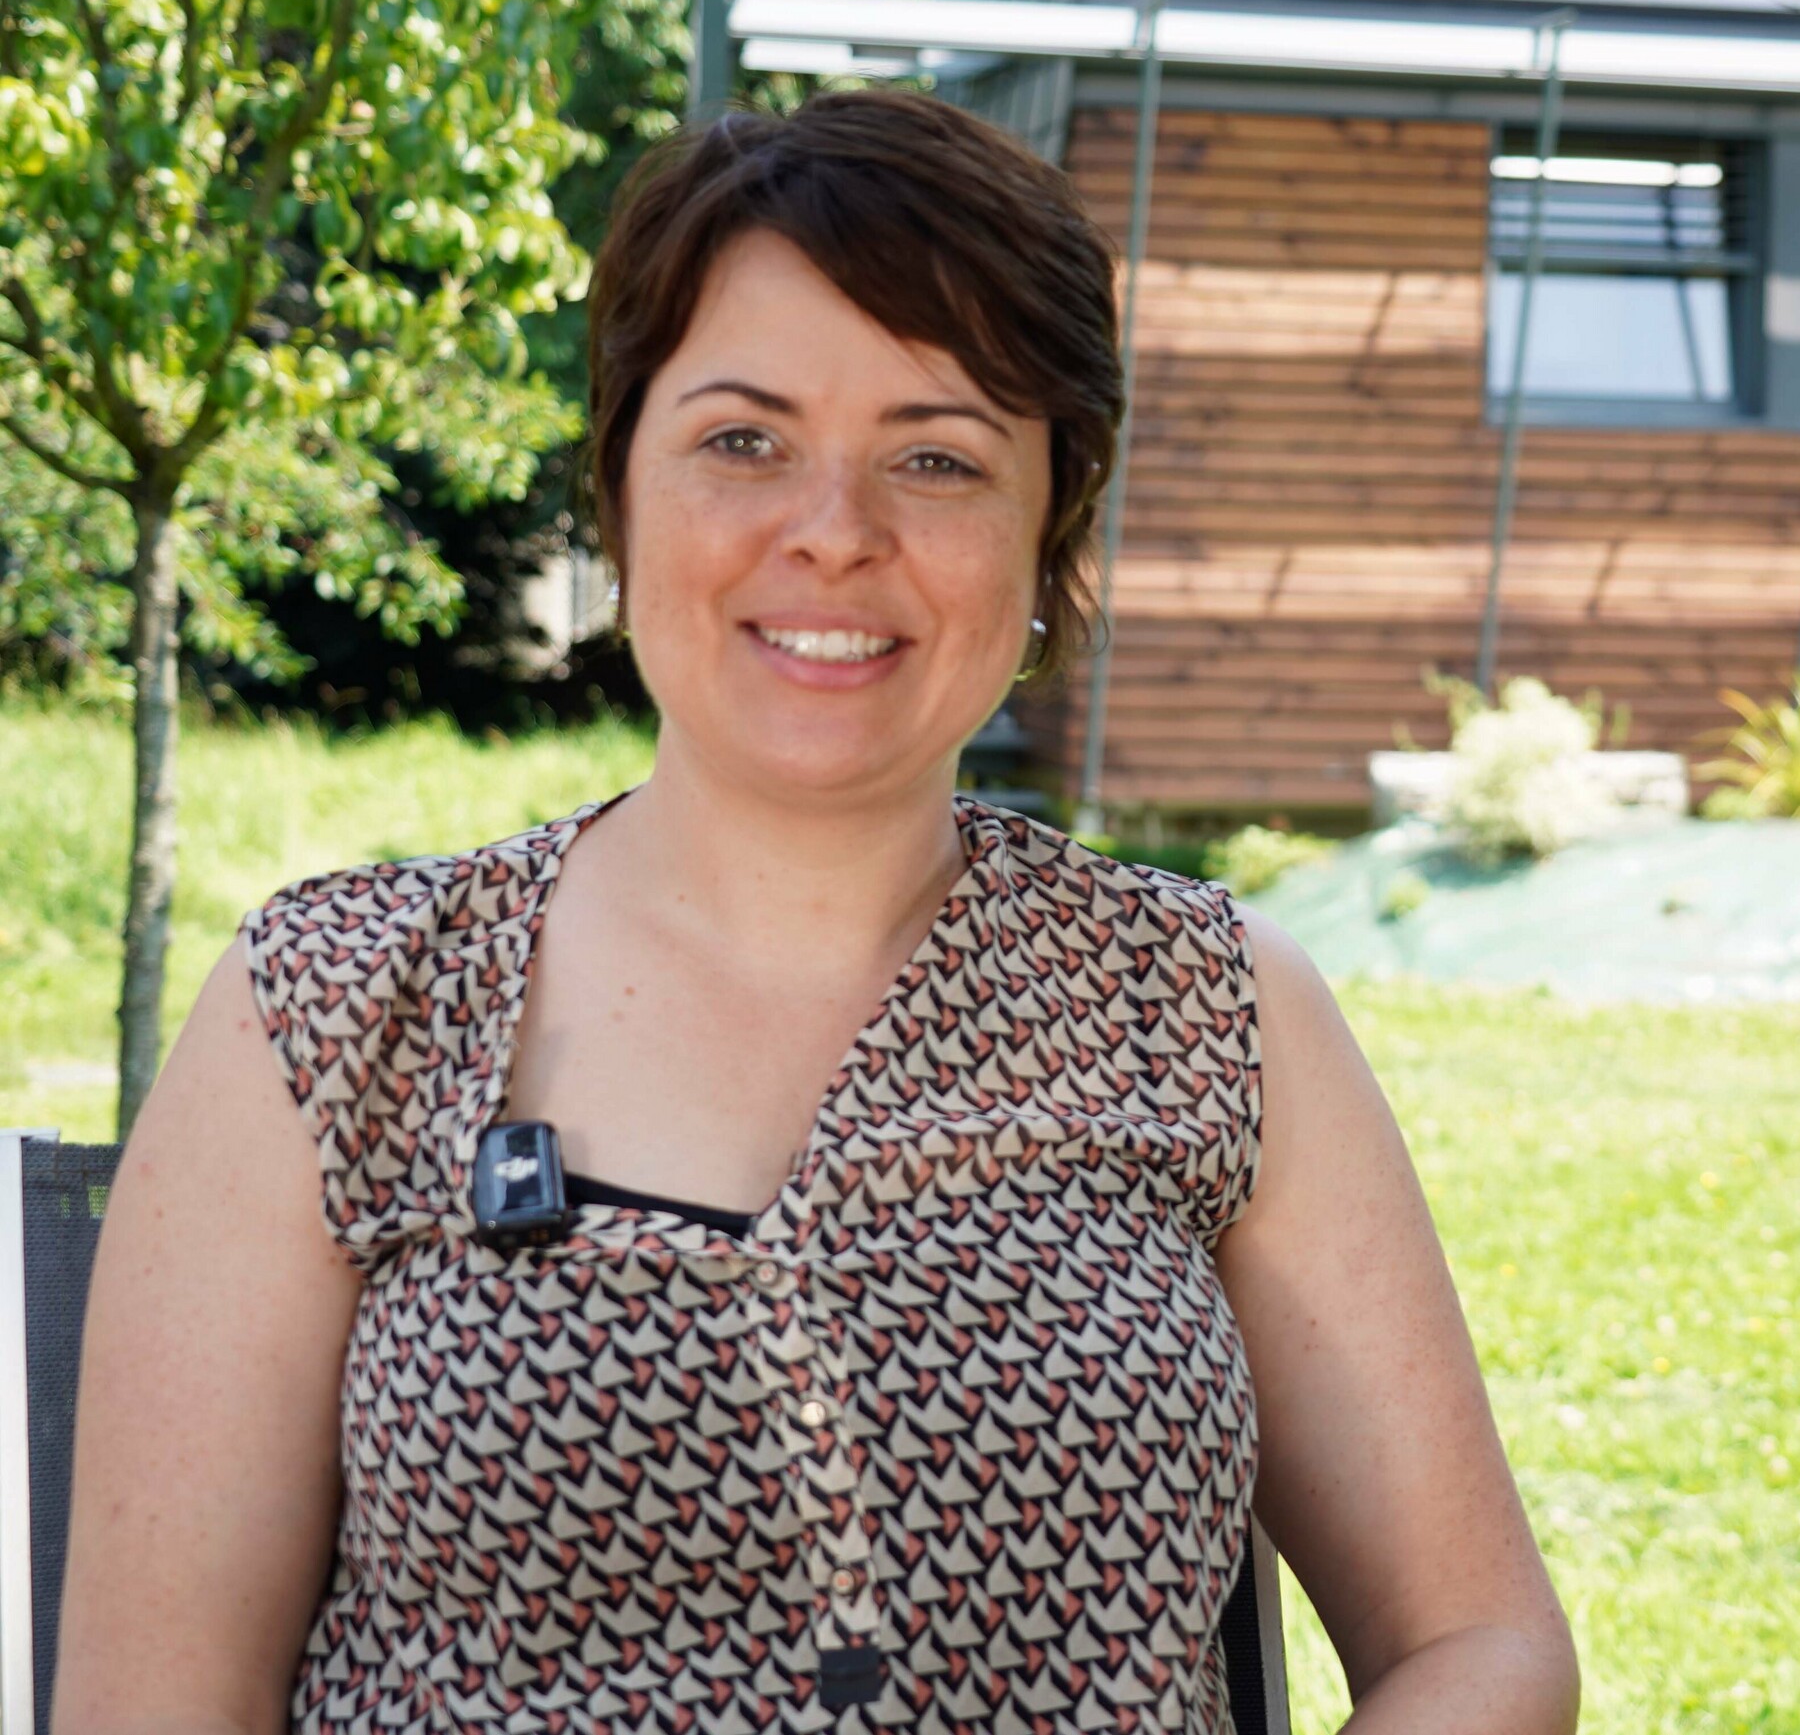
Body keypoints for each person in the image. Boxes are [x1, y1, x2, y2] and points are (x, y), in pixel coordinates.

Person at [56, 87, 1578, 1734]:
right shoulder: (340, 1006)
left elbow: (1480, 1644)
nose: (834, 534)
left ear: (1049, 534)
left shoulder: (1209, 1010)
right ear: (619, 493)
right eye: (743, 441)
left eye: (936, 457)